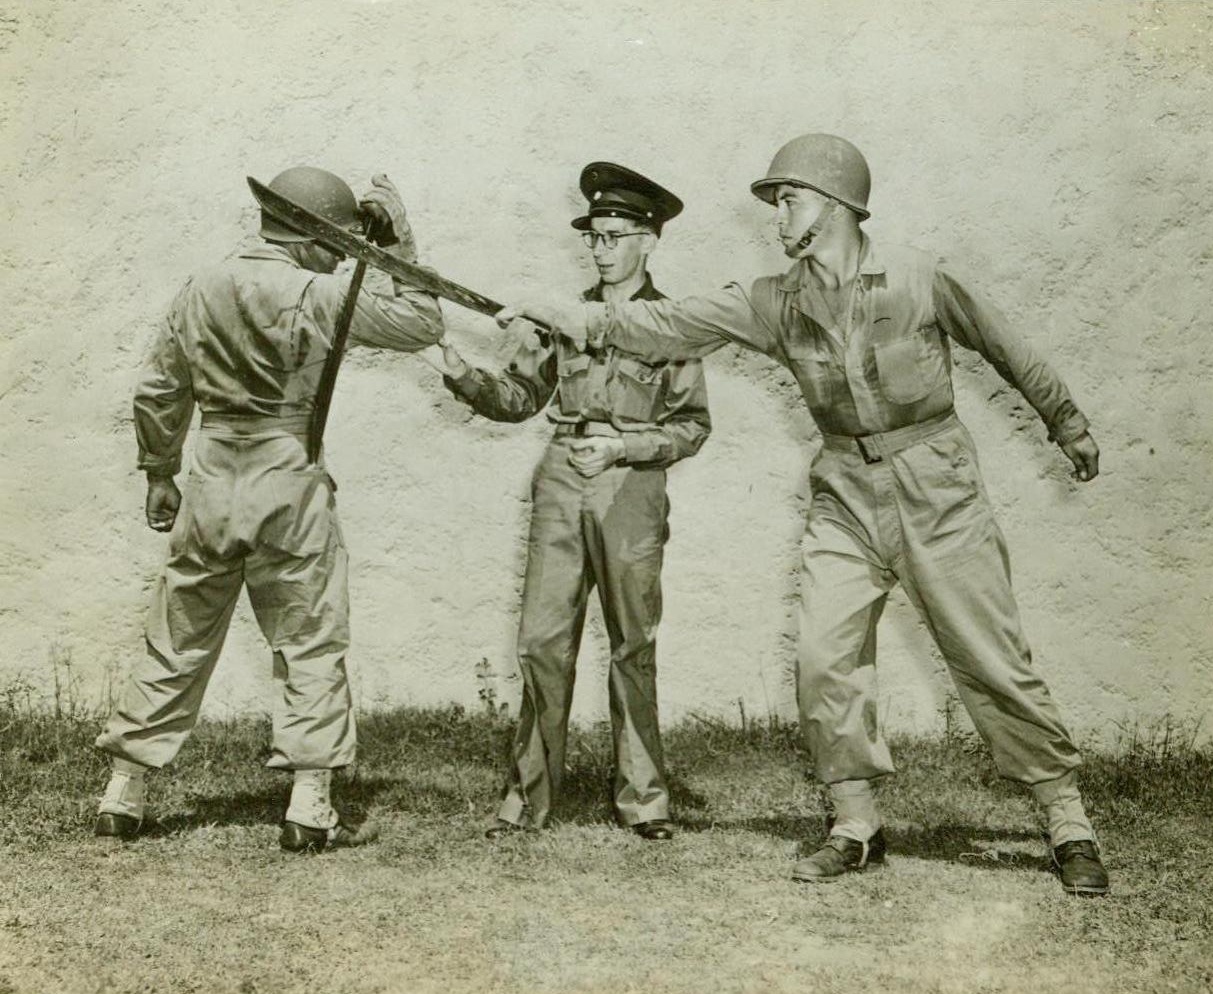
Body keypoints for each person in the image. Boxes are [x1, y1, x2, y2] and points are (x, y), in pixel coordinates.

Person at [499, 135, 1110, 894]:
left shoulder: (919, 278)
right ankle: (856, 824)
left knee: (989, 658)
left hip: (937, 486)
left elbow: (1006, 347)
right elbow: (671, 324)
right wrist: (574, 318)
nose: (777, 215)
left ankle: (1066, 820)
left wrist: (1067, 423)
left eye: (788, 199)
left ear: (836, 204)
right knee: (824, 658)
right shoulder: (774, 300)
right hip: (843, 491)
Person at [93, 167, 443, 852]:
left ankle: (122, 794)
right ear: (310, 235)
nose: (339, 258)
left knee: (177, 635)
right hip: (288, 479)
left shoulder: (201, 286)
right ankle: (309, 806)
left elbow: (159, 389)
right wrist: (398, 245)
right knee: (309, 636)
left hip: (211, 478)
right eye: (336, 244)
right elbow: (422, 322)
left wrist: (159, 472)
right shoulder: (319, 293)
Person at [438, 162, 710, 840]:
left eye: (615, 237)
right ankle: (527, 798)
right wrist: (463, 375)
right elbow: (520, 398)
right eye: (594, 237)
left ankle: (644, 799)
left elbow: (691, 426)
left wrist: (624, 447)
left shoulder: (670, 325)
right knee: (540, 640)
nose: (601, 249)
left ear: (649, 241)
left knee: (632, 642)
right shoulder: (563, 319)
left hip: (630, 483)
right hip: (561, 476)